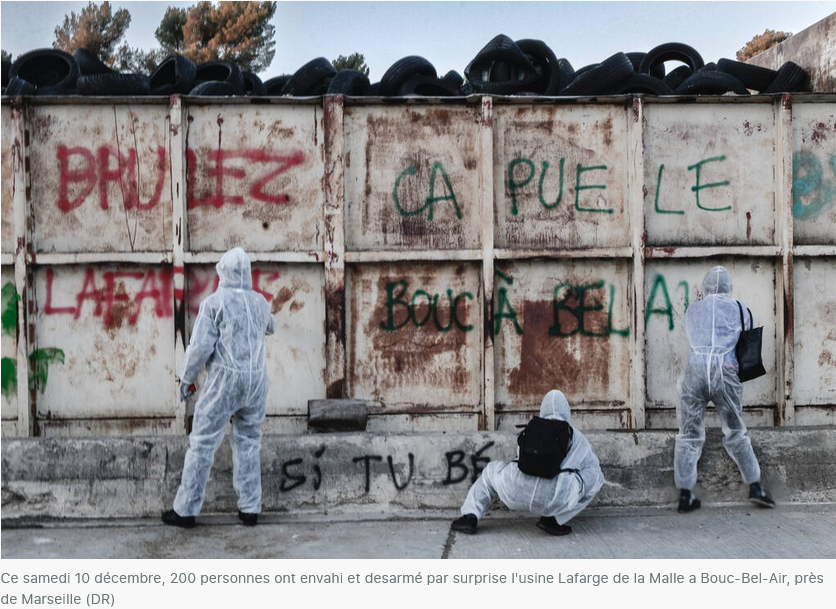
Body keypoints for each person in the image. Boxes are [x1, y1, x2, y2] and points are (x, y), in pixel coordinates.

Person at [162, 248, 275, 528]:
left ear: (222, 272)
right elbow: (270, 327)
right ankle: (250, 508)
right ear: (247, 273)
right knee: (248, 442)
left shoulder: (215, 303)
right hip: (256, 382)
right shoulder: (259, 302)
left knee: (201, 443)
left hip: (225, 382)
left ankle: (186, 510)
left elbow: (200, 347)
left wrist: (186, 380)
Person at [675, 265, 775, 513]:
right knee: (735, 431)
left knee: (688, 434)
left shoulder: (692, 309)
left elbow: (691, 335)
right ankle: (755, 487)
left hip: (695, 371)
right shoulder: (740, 308)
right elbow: (746, 335)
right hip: (725, 371)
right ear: (728, 286)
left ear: (705, 286)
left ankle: (685, 494)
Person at [451, 390, 604, 536]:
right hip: (556, 496)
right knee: (597, 476)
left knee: (490, 471)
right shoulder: (576, 436)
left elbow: (521, 458)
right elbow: (591, 466)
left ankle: (470, 516)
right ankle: (554, 519)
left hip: (516, 490)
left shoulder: (533, 428)